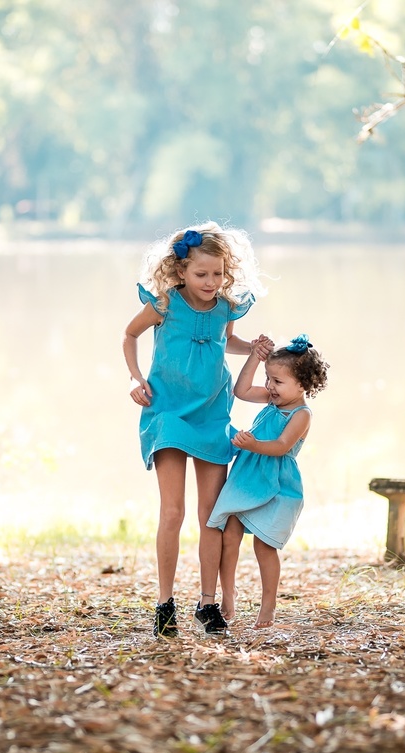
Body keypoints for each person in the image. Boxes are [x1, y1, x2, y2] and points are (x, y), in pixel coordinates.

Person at [123, 222, 264, 637]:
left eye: (218, 274)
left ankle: (207, 603)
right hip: (167, 411)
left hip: (212, 415)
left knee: (210, 516)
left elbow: (226, 342)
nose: (211, 282)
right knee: (173, 511)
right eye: (201, 274)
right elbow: (129, 334)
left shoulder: (225, 307)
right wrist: (134, 378)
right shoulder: (165, 304)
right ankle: (165, 603)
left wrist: (252, 348)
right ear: (181, 271)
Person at [208, 333, 329, 628]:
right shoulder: (272, 400)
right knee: (230, 536)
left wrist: (252, 445)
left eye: (277, 381)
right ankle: (228, 594)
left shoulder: (301, 414)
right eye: (269, 378)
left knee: (264, 546)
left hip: (277, 483)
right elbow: (241, 389)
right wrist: (254, 357)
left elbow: (281, 447)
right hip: (248, 476)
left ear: (303, 384)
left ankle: (268, 605)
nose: (270, 387)